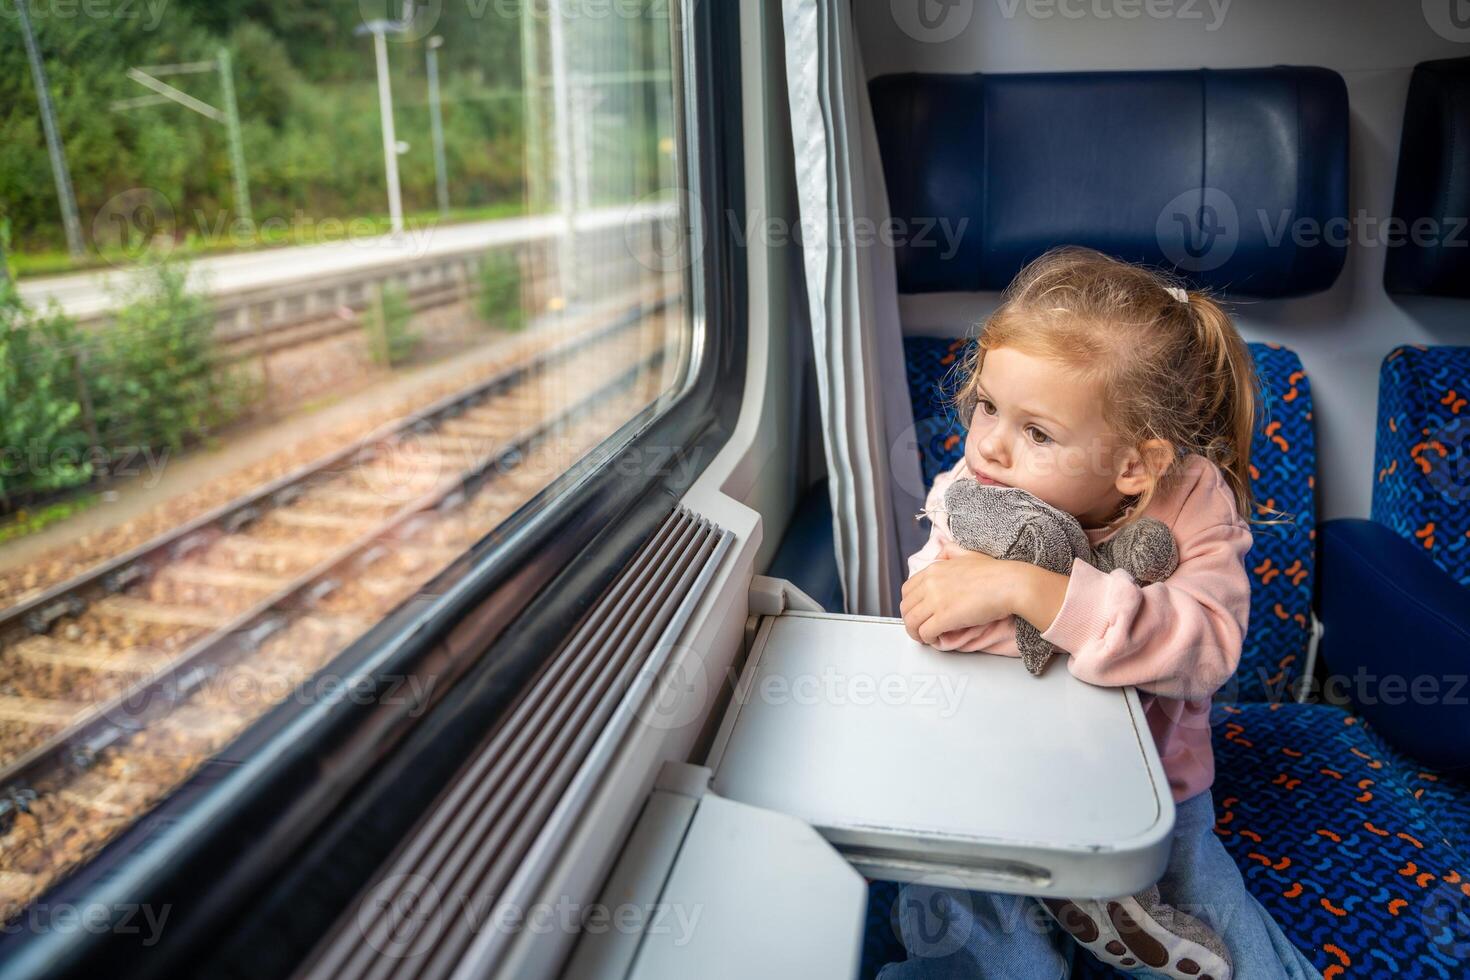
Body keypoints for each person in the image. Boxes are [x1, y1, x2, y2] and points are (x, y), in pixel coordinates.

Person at [889, 247, 1322, 980]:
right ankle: (1062, 917)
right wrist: (998, 600)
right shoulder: (980, 484)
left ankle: (1124, 909)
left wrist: (1035, 592)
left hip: (1158, 783)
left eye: (1037, 431)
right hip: (998, 775)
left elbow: (1204, 648)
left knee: (1226, 935)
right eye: (987, 405)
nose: (989, 441)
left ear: (1133, 465)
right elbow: (940, 616)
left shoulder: (1191, 499)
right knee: (981, 936)